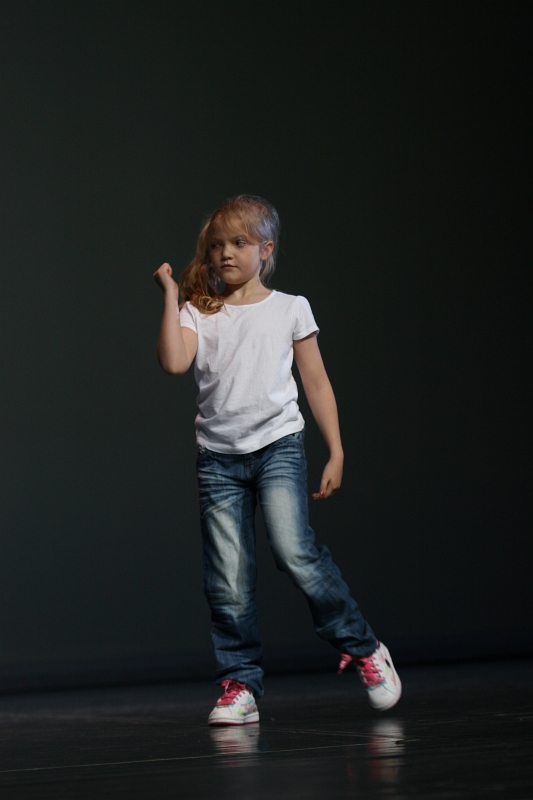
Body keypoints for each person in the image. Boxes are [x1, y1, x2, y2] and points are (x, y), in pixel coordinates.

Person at [153, 195, 401, 725]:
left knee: (294, 551)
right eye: (217, 245)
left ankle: (363, 646)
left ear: (265, 250)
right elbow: (174, 362)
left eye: (239, 243)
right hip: (218, 460)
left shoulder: (290, 307)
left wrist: (336, 450)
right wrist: (173, 297)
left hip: (277, 448)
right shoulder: (200, 311)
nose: (225, 253)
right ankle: (239, 683)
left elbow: (316, 381)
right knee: (228, 577)